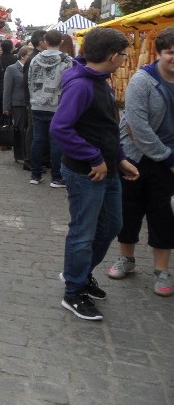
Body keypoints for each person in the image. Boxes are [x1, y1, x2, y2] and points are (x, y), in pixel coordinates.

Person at [51, 27, 139, 321]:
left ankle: (80, 273)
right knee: (83, 232)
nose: (125, 60)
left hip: (107, 168)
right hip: (85, 172)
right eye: (124, 55)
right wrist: (93, 158)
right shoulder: (82, 85)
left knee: (112, 224)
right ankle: (73, 292)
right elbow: (60, 128)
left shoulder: (102, 82)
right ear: (113, 56)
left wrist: (120, 158)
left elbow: (106, 128)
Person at [107, 27, 174, 297]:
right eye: (170, 52)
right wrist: (168, 156)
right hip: (136, 156)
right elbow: (137, 126)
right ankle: (127, 258)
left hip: (169, 159)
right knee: (130, 209)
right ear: (158, 53)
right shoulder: (142, 80)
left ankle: (162, 270)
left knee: (163, 214)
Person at [27, 30, 73, 187]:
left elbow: (30, 80)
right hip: (57, 105)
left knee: (38, 139)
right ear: (61, 41)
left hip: (37, 103)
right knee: (55, 141)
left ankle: (35, 174)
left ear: (45, 41)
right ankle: (56, 177)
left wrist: (33, 97)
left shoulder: (34, 59)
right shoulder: (67, 60)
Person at [3, 46, 33, 164]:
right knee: (19, 129)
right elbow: (7, 88)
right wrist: (6, 106)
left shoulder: (30, 68)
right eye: (29, 56)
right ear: (22, 56)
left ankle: (27, 154)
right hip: (18, 103)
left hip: (29, 103)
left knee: (27, 130)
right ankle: (19, 155)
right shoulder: (12, 69)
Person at [23, 30, 48, 169]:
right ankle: (29, 161)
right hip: (33, 101)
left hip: (36, 100)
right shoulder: (34, 58)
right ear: (41, 43)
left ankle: (36, 160)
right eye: (46, 40)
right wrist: (30, 100)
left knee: (36, 131)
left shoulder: (37, 57)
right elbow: (27, 81)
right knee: (32, 131)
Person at [0, 39, 18, 139]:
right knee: (8, 113)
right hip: (10, 89)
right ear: (11, 48)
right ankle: (7, 137)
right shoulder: (15, 60)